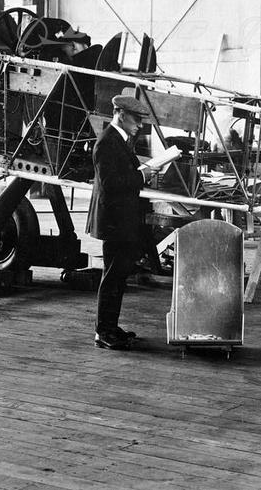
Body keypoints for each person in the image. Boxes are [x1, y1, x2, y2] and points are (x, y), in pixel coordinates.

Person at [87, 94, 156, 350]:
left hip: (120, 220)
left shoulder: (119, 140)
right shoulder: (107, 142)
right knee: (112, 277)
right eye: (136, 119)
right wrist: (143, 176)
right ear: (121, 114)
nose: (140, 125)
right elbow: (111, 184)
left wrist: (142, 174)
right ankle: (103, 332)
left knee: (117, 276)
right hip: (114, 222)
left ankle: (109, 327)